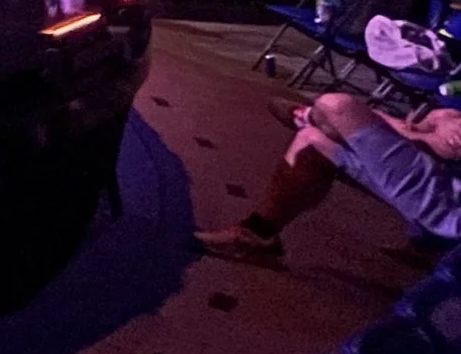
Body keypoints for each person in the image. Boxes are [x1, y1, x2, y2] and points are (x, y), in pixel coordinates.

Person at [196, 91, 461, 267]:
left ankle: (307, 116)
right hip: (443, 175)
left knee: (337, 106)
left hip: (451, 205)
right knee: (312, 141)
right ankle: (258, 236)